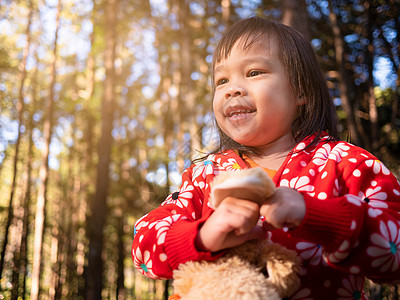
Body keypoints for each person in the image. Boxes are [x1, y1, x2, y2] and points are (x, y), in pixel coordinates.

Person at [132, 16, 400, 298]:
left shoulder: (345, 163)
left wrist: (316, 217)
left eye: (254, 72)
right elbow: (143, 247)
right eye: (222, 80)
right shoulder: (204, 175)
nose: (232, 89)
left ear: (301, 90)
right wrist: (201, 237)